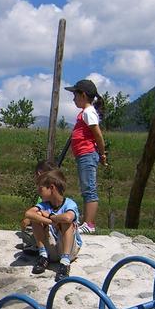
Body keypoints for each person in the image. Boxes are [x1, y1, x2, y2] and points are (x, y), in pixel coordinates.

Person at [64, 79, 108, 235]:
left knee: (89, 188)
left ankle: (89, 224)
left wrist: (102, 153)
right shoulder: (84, 113)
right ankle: (85, 221)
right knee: (85, 188)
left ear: (82, 95)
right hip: (83, 155)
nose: (73, 99)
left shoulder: (89, 112)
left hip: (88, 154)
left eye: (75, 95)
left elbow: (98, 134)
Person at [24, 168, 82, 281]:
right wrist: (49, 221)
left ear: (51, 188)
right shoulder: (45, 205)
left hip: (69, 250)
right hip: (52, 248)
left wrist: (51, 217)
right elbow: (28, 213)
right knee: (36, 218)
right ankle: (43, 255)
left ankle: (65, 263)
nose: (38, 191)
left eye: (40, 188)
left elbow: (68, 217)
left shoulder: (69, 204)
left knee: (67, 223)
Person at [19, 159, 58, 254]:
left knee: (30, 223)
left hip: (50, 226)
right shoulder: (57, 192)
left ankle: (36, 246)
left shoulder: (46, 195)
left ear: (39, 174)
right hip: (53, 225)